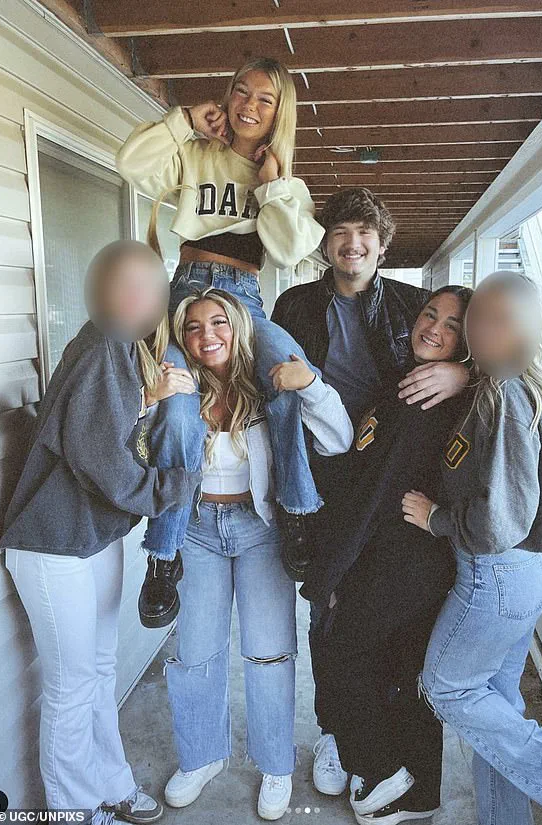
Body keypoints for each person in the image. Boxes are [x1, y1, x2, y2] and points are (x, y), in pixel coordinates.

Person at [402, 271, 542, 825]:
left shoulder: (503, 395)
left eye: (500, 319)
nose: (482, 327)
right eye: (477, 315)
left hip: (495, 575)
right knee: (497, 705)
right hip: (527, 573)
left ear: (530, 329)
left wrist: (436, 519)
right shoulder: (510, 385)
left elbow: (501, 521)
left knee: (448, 687)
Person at [271, 188, 470, 795]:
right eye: (340, 232)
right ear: (324, 243)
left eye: (365, 234)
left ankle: (373, 735)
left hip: (392, 463)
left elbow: (485, 347)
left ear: (383, 246)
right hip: (323, 472)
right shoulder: (295, 304)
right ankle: (336, 732)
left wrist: (462, 371)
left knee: (379, 620)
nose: (352, 244)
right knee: (327, 608)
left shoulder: (414, 305)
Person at [116, 56, 326, 628]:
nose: (249, 106)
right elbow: (131, 164)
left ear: (279, 113)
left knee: (289, 374)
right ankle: (164, 554)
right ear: (227, 96)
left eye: (265, 99)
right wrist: (182, 121)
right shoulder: (197, 153)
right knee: (178, 405)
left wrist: (274, 185)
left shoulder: (285, 183)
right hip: (186, 294)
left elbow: (290, 250)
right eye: (241, 92)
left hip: (245, 299)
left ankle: (296, 512)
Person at [0, 242, 204, 825]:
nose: (147, 300)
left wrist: (149, 398)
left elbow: (97, 421)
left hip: (91, 538)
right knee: (69, 689)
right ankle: (74, 809)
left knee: (100, 670)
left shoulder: (116, 345)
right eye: (135, 287)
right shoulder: (103, 344)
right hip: (54, 544)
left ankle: (110, 783)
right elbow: (99, 458)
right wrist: (171, 487)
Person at [155, 288, 352, 821]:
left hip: (261, 529)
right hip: (197, 531)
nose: (207, 335)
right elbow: (137, 449)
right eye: (193, 326)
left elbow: (338, 438)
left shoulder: (270, 386)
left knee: (270, 653)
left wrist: (310, 384)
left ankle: (275, 765)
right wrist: (149, 398)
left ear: (239, 327)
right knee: (195, 652)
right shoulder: (179, 389)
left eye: (218, 322)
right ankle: (201, 757)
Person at [302, 286, 472, 824]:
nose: (434, 328)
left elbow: (374, 497)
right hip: (394, 557)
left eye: (451, 326)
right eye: (430, 314)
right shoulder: (406, 381)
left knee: (344, 652)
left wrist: (330, 572)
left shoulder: (430, 396)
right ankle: (419, 791)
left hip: (403, 561)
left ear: (467, 341)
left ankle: (380, 772)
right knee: (400, 668)